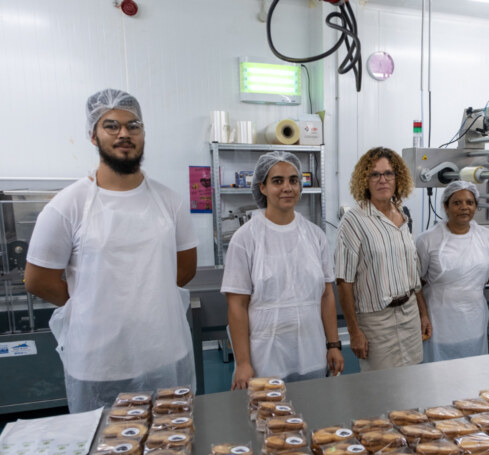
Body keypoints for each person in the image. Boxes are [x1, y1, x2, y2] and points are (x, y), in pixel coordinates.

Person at [24, 88, 198, 413]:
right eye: (111, 126)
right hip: (98, 365)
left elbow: (185, 269)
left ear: (143, 133)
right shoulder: (68, 205)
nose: (124, 134)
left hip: (164, 355)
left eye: (133, 126)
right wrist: (92, 306)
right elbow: (37, 280)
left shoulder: (169, 202)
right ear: (93, 136)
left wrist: (147, 301)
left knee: (170, 448)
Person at [221, 152, 344, 387]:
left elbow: (326, 295)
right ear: (263, 187)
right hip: (265, 358)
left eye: (293, 180)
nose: (287, 187)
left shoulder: (315, 236)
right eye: (277, 181)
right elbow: (236, 305)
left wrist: (333, 345)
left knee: (312, 418)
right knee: (270, 423)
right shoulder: (245, 238)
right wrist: (243, 362)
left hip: (311, 352)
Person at [335, 146, 431, 371]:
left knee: (413, 382)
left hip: (409, 315)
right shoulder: (353, 221)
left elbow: (413, 272)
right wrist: (354, 331)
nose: (382, 180)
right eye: (375, 174)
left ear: (398, 178)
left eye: (388, 173)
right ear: (364, 181)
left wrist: (423, 314)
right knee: (381, 389)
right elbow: (343, 282)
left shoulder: (403, 215)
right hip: (376, 321)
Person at [416, 181, 489, 362]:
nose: (464, 207)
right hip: (439, 321)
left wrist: (468, 286)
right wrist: (423, 315)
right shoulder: (428, 240)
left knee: (473, 369)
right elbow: (416, 283)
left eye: (469, 203)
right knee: (438, 374)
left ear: (476, 206)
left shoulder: (485, 236)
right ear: (446, 206)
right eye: (457, 203)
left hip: (473, 319)